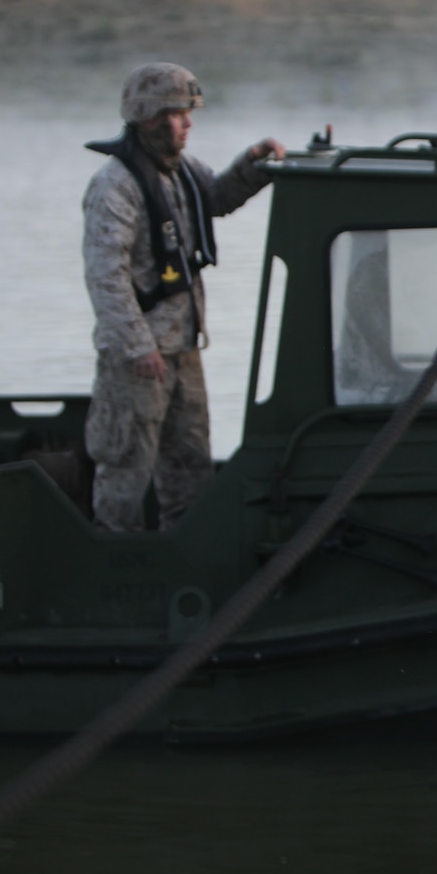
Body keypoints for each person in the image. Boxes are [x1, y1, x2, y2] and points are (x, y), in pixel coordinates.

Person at [82, 63, 284, 532]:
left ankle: (183, 565)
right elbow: (105, 276)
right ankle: (113, 568)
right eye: (178, 113)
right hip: (139, 358)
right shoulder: (114, 187)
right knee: (125, 470)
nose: (188, 123)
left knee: (190, 467)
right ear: (150, 117)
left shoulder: (181, 171)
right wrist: (137, 346)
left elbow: (216, 198)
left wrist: (254, 165)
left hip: (183, 347)